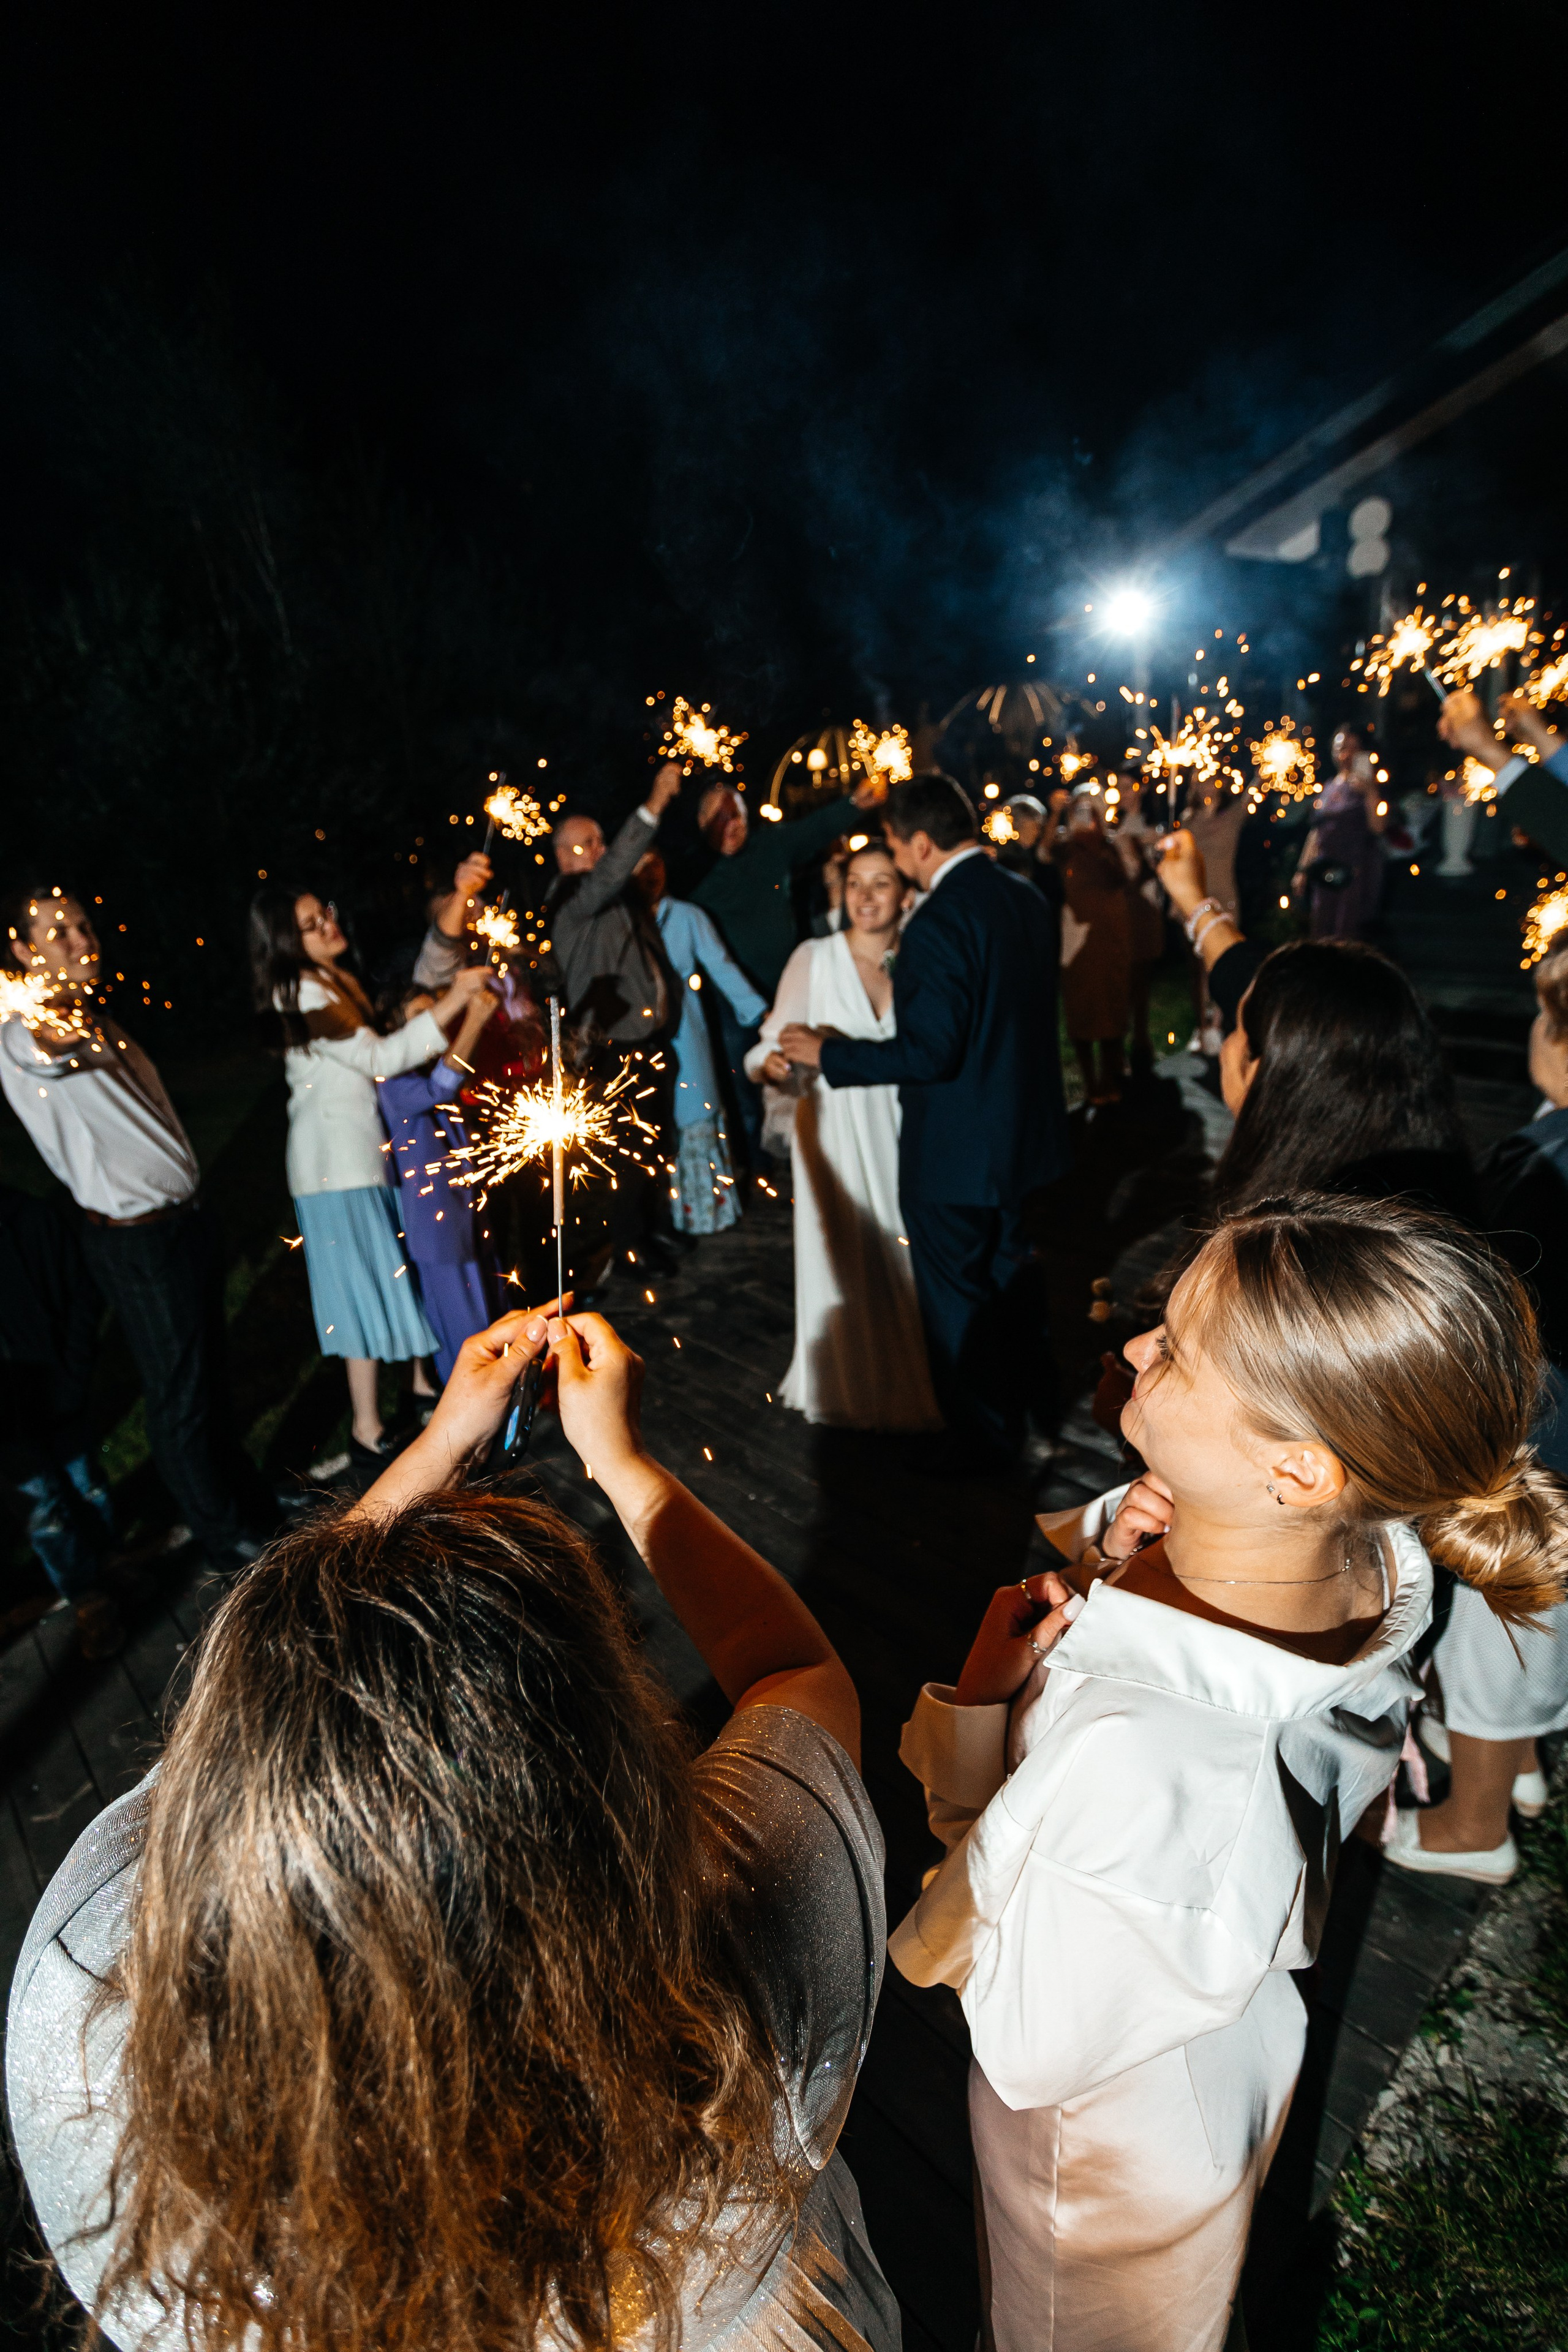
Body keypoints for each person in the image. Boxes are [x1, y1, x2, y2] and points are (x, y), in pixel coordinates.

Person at [8, 1305, 899, 2352]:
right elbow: (792, 1672)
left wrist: (438, 1445)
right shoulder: (757, 1961)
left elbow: (249, 1710)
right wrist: (620, 1461)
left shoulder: (87, 1996)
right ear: (609, 1777)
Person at [891, 1194, 1567, 2352]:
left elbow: (1024, 2023)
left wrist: (995, 1720)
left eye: (1179, 1351)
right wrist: (1120, 1565)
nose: (1137, 1350)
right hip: (1225, 2027)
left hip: (1104, 2144)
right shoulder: (1377, 1551)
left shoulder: (1148, 1750)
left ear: (1299, 1472)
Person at [780, 773, 1068, 1474]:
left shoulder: (938, 919)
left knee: (957, 1304)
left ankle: (986, 1450)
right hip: (1026, 1140)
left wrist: (829, 1052)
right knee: (1009, 1284)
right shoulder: (1027, 897)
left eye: (893, 847)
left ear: (916, 842)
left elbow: (930, 1052)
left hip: (956, 1153)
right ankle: (1035, 1414)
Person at [1, 880, 276, 1571]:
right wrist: (27, 1003)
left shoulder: (95, 1018)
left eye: (83, 926)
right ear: (21, 952)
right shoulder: (23, 1033)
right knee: (178, 1393)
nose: (80, 941)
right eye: (57, 932)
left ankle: (247, 1503)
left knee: (209, 1375)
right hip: (137, 1241)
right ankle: (222, 1536)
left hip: (185, 1222)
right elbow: (43, 1049)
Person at [1396, 938, 1568, 1883]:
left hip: (1538, 1433)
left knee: (1504, 1622)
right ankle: (1524, 1765)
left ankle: (1476, 1822)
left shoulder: (1541, 1165)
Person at [249, 886, 491, 1485]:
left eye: (325, 910)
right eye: (310, 923)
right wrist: (455, 1000)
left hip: (362, 1162)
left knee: (390, 1276)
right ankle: (365, 1432)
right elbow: (380, 1058)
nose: (328, 922)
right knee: (360, 1292)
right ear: (287, 941)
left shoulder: (331, 982)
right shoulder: (300, 989)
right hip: (335, 1170)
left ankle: (413, 1391)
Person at [747, 841, 940, 1430]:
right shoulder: (815, 957)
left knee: (909, 1248)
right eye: (856, 883)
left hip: (904, 1126)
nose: (865, 897)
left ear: (905, 895)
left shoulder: (921, 957)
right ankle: (851, 1381)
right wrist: (772, 1064)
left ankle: (919, 1371)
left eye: (881, 883)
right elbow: (766, 1044)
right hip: (835, 1130)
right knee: (854, 1251)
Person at [690, 778, 881, 1170]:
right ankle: (757, 1168)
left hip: (788, 990)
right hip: (737, 1004)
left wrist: (855, 804)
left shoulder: (769, 847)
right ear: (703, 825)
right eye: (720, 820)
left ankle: (813, 1155)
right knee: (747, 1085)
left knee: (800, 1074)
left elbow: (814, 829)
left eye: (737, 817)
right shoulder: (698, 876)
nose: (732, 827)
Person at [0, 1185, 126, 1656]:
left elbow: (80, 1293)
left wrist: (74, 1370)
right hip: (7, 1422)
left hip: (58, 1388)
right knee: (43, 1512)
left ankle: (111, 1557)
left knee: (87, 1482)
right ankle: (86, 1593)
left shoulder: (32, 1220)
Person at [632, 847, 767, 1238]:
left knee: (696, 1110)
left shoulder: (688, 917)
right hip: (640, 1037)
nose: (648, 877)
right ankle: (659, 1220)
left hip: (686, 1032)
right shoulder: (622, 921)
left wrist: (760, 1013)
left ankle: (706, 1211)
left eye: (653, 866)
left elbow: (721, 966)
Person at [379, 982, 502, 1385]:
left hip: (470, 1212)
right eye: (420, 1018)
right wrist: (476, 1021)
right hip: (438, 1228)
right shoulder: (393, 1081)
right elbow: (441, 1088)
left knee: (496, 1310)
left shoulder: (434, 1065)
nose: (435, 1026)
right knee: (468, 1334)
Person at [1042, 786, 1134, 1103]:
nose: (1082, 817)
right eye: (1077, 811)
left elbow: (1125, 877)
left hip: (1109, 933)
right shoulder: (1065, 847)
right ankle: (1089, 1080)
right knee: (1080, 1006)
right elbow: (1043, 852)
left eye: (1087, 810)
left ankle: (1109, 1080)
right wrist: (1055, 814)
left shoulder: (1108, 845)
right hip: (1077, 938)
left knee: (1111, 1002)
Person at [1292, 725, 1387, 940]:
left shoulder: (1367, 785)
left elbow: (1378, 827)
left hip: (1354, 873)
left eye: (1353, 748)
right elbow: (1317, 832)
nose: (1346, 754)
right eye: (1341, 748)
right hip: (1325, 873)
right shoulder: (1328, 787)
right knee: (1320, 933)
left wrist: (1370, 791)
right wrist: (1302, 870)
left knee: (1346, 936)